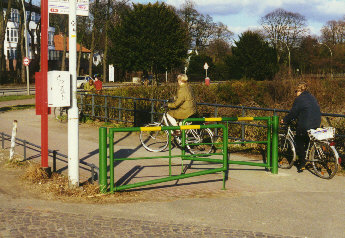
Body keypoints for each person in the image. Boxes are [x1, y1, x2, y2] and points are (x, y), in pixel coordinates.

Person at [281, 82, 321, 172]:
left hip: (307, 123)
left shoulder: (299, 99)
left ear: (299, 91)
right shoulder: (312, 97)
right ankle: (307, 156)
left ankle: (302, 163)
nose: (295, 93)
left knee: (298, 140)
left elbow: (293, 112)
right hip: (316, 122)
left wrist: (285, 119)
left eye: (296, 91)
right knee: (306, 138)